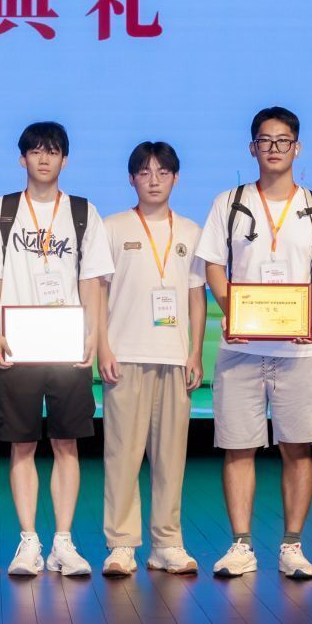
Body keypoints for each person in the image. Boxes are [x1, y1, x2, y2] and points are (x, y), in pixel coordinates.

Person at [198, 106, 312, 580]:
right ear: (252, 148)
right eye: (265, 140)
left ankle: (292, 546)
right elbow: (213, 264)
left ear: (297, 148)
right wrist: (232, 311)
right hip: (240, 349)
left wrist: (308, 309)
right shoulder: (230, 202)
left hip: (298, 351)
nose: (274, 148)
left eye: (283, 141)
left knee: (297, 448)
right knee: (238, 447)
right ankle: (241, 545)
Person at [0, 121, 114, 577]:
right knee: (21, 444)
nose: (43, 158)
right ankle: (28, 542)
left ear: (64, 160)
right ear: (22, 158)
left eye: (52, 151)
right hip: (18, 345)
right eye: (35, 151)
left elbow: (91, 279)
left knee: (66, 443)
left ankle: (63, 542)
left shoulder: (82, 211)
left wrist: (92, 333)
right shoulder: (2, 210)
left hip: (66, 346)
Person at [96, 141, 206, 577]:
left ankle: (167, 543)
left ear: (176, 178)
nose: (154, 180)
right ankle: (121, 543)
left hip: (174, 357)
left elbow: (196, 295)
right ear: (132, 179)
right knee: (121, 455)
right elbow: (98, 292)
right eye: (144, 172)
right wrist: (103, 346)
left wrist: (195, 351)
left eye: (163, 172)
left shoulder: (192, 232)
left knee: (170, 458)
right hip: (124, 355)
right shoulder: (112, 227)